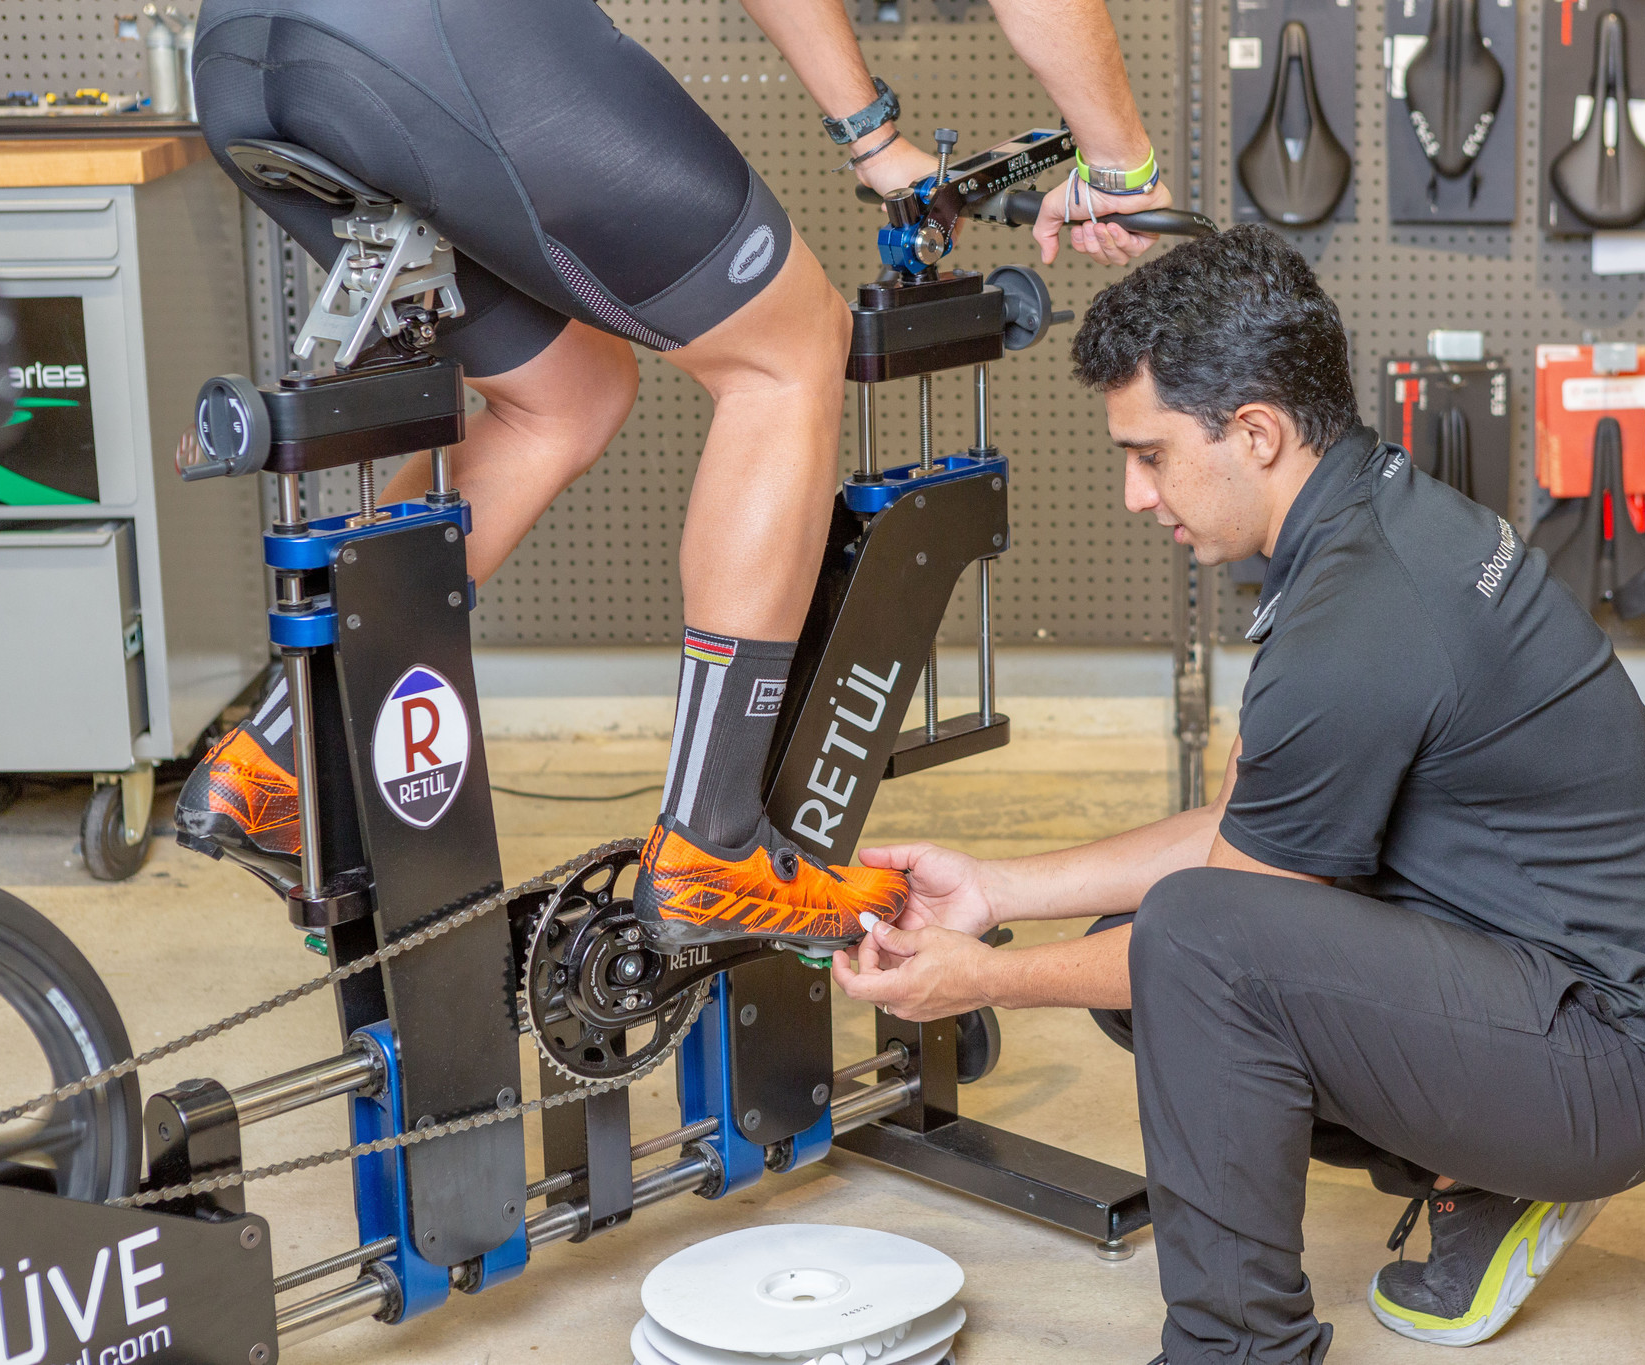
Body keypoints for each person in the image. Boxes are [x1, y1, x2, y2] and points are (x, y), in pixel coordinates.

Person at [832, 225, 1645, 1363]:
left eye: (1151, 453)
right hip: (1567, 990)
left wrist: (985, 980)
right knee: (1155, 948)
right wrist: (993, 889)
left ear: (1254, 433)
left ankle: (1239, 1349)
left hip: (1618, 1064)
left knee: (1183, 950)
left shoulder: (1358, 619)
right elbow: (1246, 832)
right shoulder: (1364, 519)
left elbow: (1211, 932)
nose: (1132, 494)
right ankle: (1486, 1171)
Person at [173, 0, 1171, 946]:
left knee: (562, 395)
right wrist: (1124, 166)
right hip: (441, 41)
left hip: (242, 54)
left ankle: (274, 756)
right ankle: (714, 843)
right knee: (784, 356)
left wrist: (871, 139)